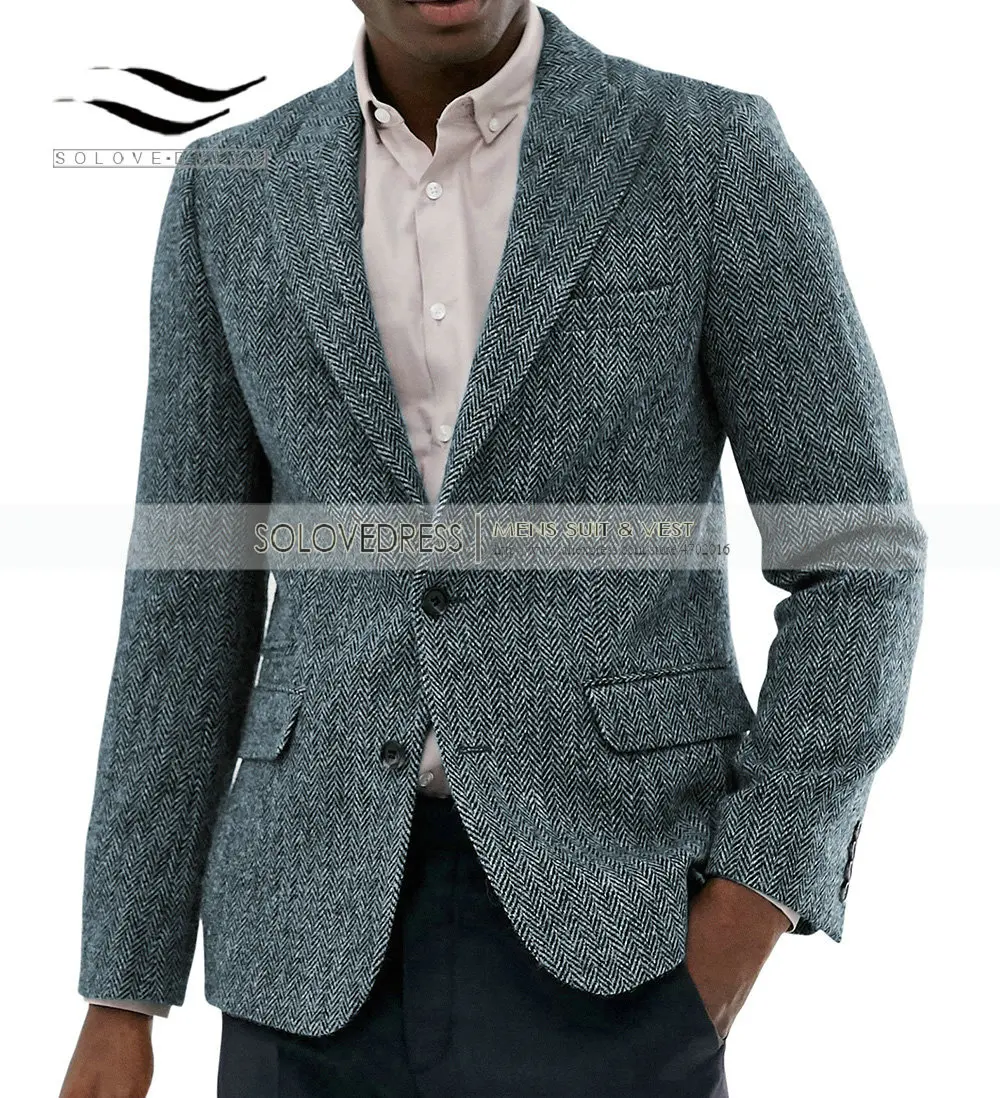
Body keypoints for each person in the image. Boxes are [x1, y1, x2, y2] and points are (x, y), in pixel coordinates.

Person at [60, 2, 927, 1096]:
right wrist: (122, 990)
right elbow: (185, 602)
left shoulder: (704, 151)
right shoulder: (228, 190)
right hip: (301, 943)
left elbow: (855, 552)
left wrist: (754, 898)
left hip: (619, 932)